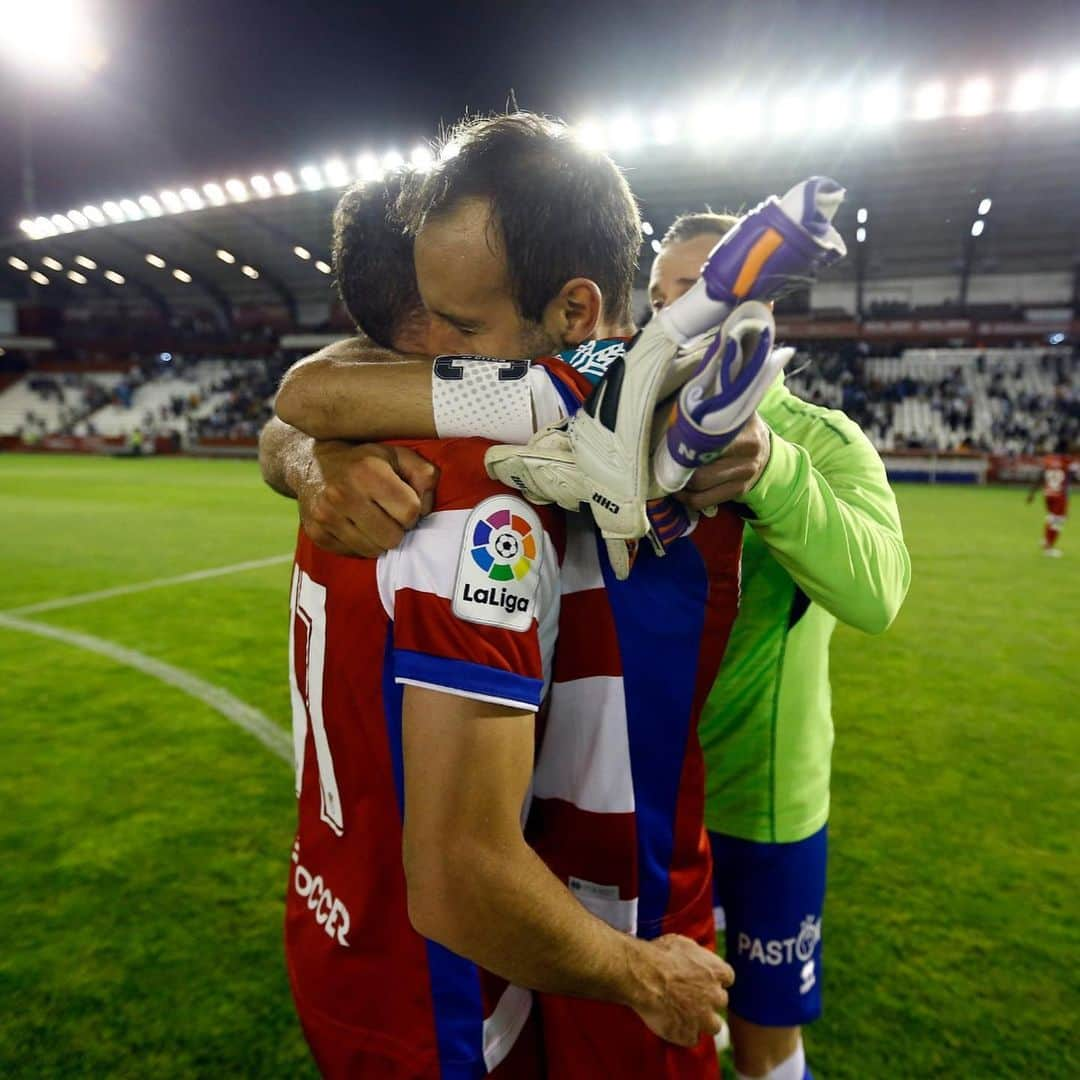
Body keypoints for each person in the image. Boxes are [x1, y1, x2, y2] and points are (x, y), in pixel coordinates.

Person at [265, 113, 750, 1077]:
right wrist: (647, 979)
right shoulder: (466, 490)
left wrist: (766, 460)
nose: (449, 353)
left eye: (466, 327)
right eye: (434, 331)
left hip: (349, 929)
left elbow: (310, 399)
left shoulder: (686, 415)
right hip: (460, 995)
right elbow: (460, 874)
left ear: (571, 310)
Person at [650, 212, 911, 1080]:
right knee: (647, 1022)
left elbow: (879, 592)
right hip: (642, 798)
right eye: (656, 299)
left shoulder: (824, 441)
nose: (667, 318)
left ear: (754, 303)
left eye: (690, 292)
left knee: (763, 1042)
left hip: (761, 810)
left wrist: (771, 471)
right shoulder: (622, 434)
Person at [1026, 446, 1074, 556]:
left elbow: (1041, 476)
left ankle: (1045, 539)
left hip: (1048, 494)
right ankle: (1049, 547)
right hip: (1059, 495)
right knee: (1058, 521)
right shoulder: (1067, 461)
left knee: (1051, 518)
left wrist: (1032, 493)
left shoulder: (1048, 460)